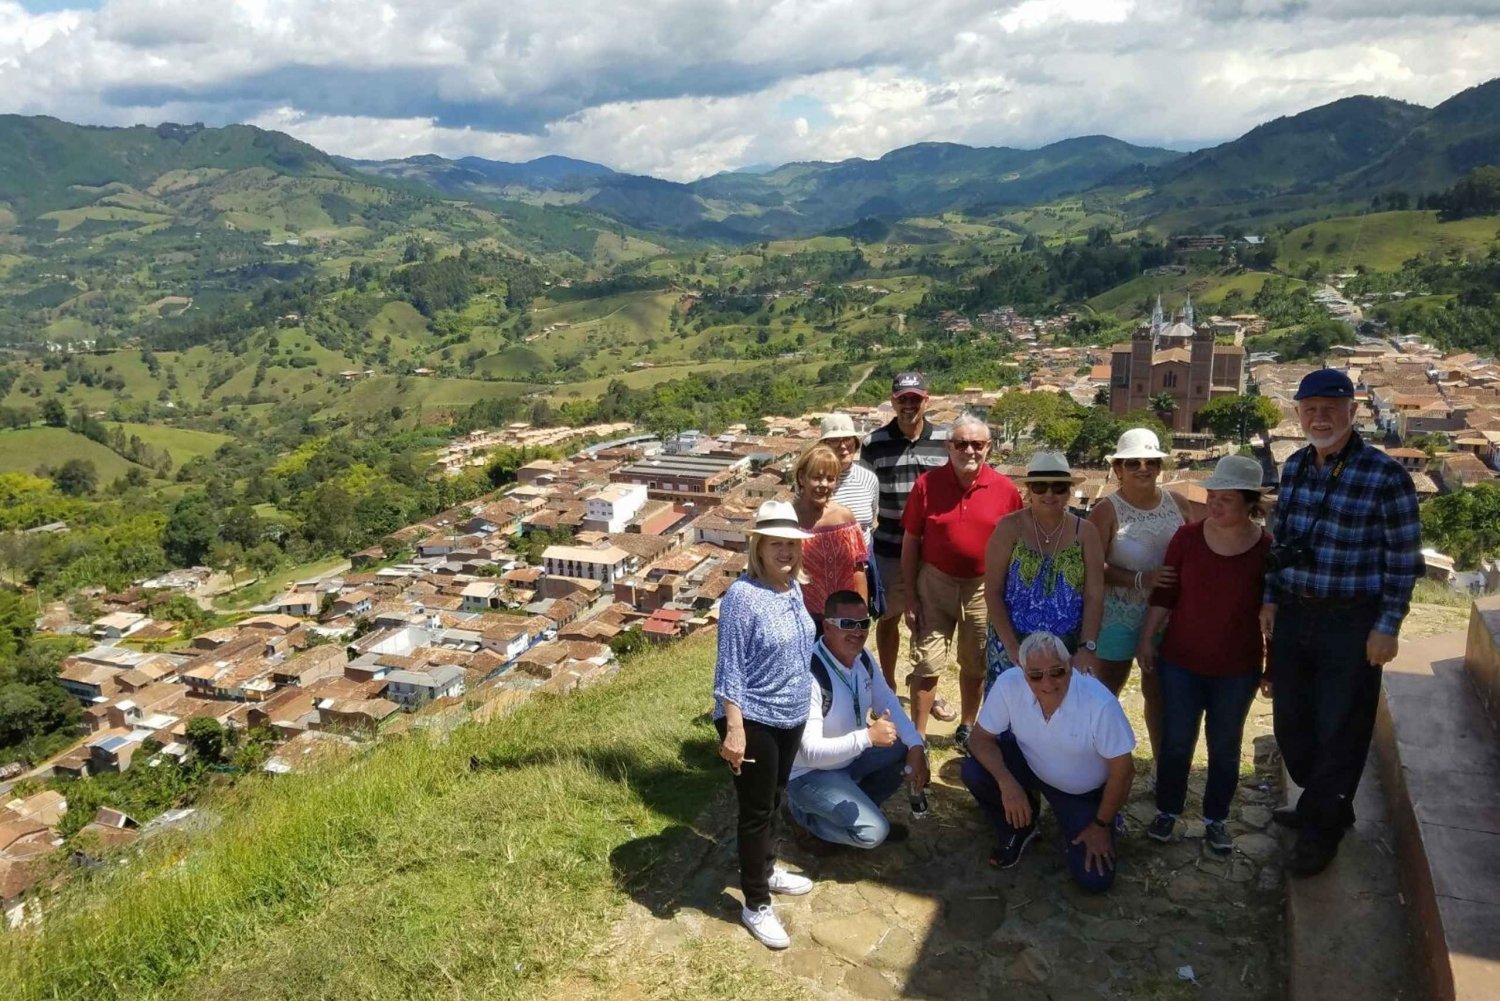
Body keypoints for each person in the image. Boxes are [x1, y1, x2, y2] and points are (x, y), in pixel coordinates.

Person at [1262, 369, 1422, 877]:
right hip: (1295, 613)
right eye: (1309, 408)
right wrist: (1269, 599)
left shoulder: (1385, 475)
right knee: (1292, 722)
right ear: (1298, 413)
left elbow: (1402, 557)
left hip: (1351, 622)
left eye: (1330, 408)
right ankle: (1325, 800)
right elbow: (1279, 540)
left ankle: (1321, 829)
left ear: (1353, 411)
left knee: (1341, 726)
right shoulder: (1296, 467)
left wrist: (1388, 625)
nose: (1319, 417)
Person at [1136, 455, 1272, 854]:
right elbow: (1166, 594)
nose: (1214, 504)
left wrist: (1272, 668)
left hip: (1238, 667)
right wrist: (1147, 638)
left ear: (1250, 503)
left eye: (1226, 499)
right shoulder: (1187, 539)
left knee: (1225, 747)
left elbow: (1274, 611)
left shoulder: (1266, 549)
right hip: (1181, 661)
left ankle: (1217, 818)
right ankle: (1168, 809)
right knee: (1177, 740)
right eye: (1213, 496)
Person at [712, 500, 819, 949]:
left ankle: (767, 869)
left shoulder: (792, 589)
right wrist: (734, 729)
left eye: (792, 544)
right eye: (777, 544)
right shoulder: (743, 597)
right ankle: (755, 902)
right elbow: (729, 670)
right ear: (758, 547)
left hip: (791, 715)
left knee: (776, 799)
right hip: (753, 718)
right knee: (756, 812)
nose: (786, 553)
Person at [960, 631, 1136, 892]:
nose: (1048, 683)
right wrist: (1008, 784)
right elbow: (979, 739)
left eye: (1058, 672)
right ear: (1021, 670)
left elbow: (1124, 772)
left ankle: (1091, 820)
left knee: (1094, 880)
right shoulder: (1009, 684)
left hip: (1080, 792)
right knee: (974, 771)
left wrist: (1100, 825)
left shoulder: (1099, 704)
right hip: (1032, 765)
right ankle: (1019, 827)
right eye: (1035, 675)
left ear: (1071, 666)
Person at [901, 413, 1022, 741]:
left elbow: (1015, 546)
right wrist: (910, 597)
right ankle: (918, 736)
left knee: (975, 661)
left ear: (988, 447)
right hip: (935, 585)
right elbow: (911, 540)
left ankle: (968, 727)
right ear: (948, 447)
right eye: (961, 444)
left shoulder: (1006, 490)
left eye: (977, 444)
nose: (969, 450)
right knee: (926, 664)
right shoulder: (927, 485)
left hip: (983, 588)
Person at [786, 590, 929, 849]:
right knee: (873, 833)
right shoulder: (809, 676)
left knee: (904, 745)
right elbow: (809, 752)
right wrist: (867, 737)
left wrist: (917, 746)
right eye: (847, 625)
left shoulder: (862, 657)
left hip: (848, 759)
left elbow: (888, 702)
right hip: (810, 773)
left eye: (863, 624)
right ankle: (805, 818)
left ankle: (856, 812)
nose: (858, 632)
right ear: (827, 628)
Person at [1087, 427, 1191, 761]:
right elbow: (1090, 567)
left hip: (1166, 618)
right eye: (1133, 463)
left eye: (1151, 461)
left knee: (1159, 695)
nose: (1143, 468)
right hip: (1116, 617)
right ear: (1118, 469)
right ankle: (1097, 764)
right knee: (1105, 695)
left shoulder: (1179, 504)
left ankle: (1163, 768)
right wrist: (1139, 579)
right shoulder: (1105, 511)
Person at [864, 372, 952, 711]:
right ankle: (887, 687)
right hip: (889, 546)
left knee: (929, 623)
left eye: (915, 398)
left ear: (927, 399)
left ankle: (926, 689)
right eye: (903, 399)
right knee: (888, 619)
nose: (909, 405)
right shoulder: (874, 444)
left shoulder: (946, 440)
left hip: (932, 551)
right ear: (893, 401)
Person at [984, 452, 1104, 699]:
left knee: (1063, 717)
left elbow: (1094, 596)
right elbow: (993, 591)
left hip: (1067, 648)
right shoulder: (1009, 528)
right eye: (1040, 487)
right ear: (1029, 491)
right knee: (1009, 715)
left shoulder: (1086, 533)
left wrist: (1087, 647)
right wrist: (1010, 646)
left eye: (1058, 487)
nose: (1049, 494)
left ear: (1068, 492)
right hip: (1012, 646)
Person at [791, 444, 867, 628]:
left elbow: (858, 569)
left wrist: (861, 613)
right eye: (817, 478)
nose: (824, 485)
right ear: (802, 477)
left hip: (844, 619)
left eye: (830, 479)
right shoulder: (788, 518)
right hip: (801, 617)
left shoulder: (844, 517)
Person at [821, 413, 879, 537]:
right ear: (823, 445)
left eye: (847, 439)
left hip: (865, 554)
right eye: (835, 440)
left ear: (856, 443)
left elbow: (871, 520)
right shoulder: (813, 481)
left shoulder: (869, 478)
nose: (842, 446)